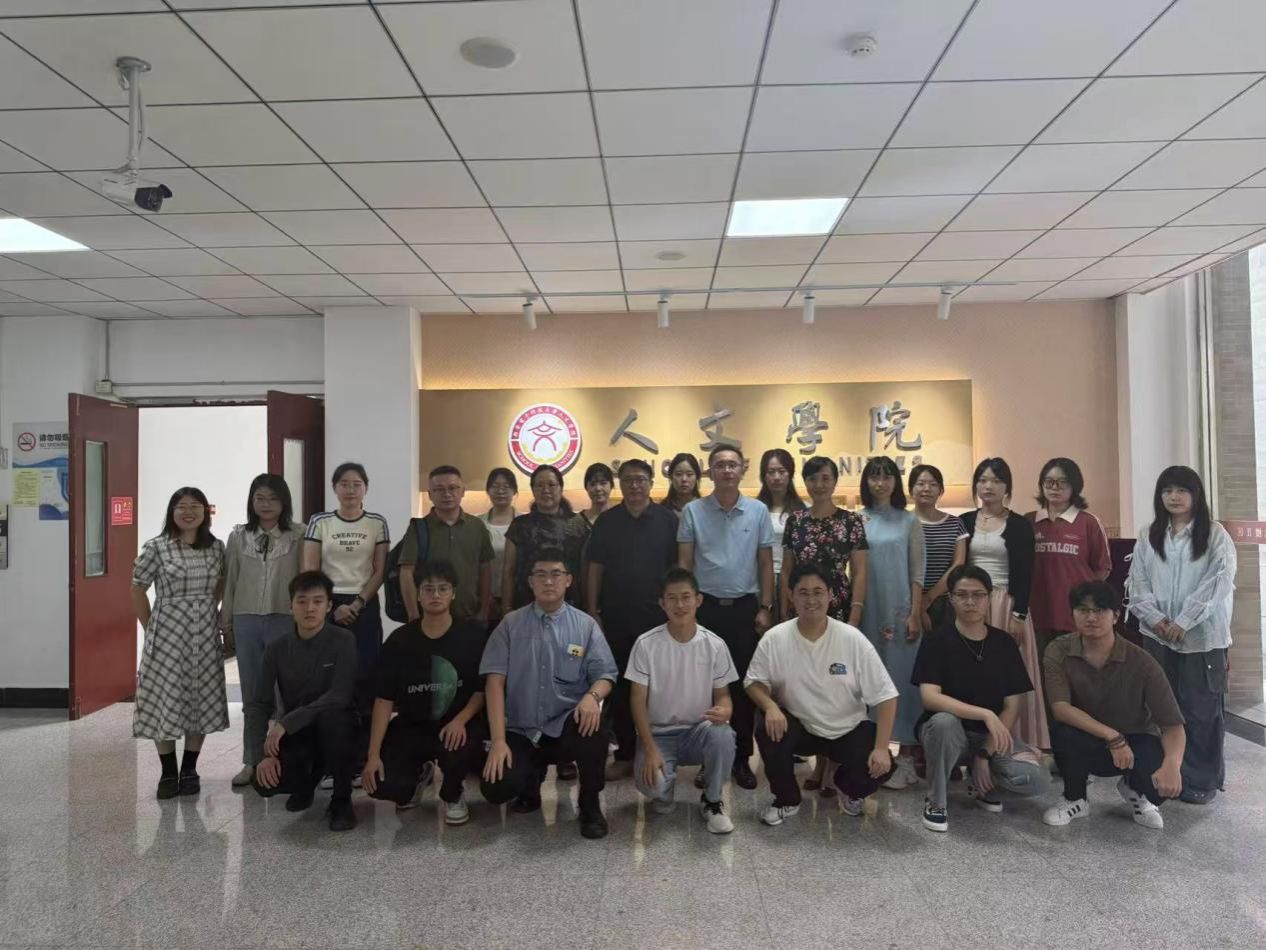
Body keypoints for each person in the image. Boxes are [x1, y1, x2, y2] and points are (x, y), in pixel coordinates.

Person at [479, 548, 618, 839]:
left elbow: (606, 674)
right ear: (530, 582)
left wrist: (592, 697)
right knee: (497, 788)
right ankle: (530, 786)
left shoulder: (585, 625)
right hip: (522, 728)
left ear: (568, 580)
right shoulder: (510, 625)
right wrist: (499, 741)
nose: (548, 581)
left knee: (594, 725)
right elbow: (494, 683)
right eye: (540, 575)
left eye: (556, 574)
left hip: (565, 725)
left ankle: (589, 803)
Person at [747, 562, 898, 826]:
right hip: (800, 728)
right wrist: (770, 706)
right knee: (767, 726)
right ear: (791, 596)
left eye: (818, 592)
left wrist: (881, 748)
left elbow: (886, 696)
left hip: (847, 729)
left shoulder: (852, 639)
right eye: (803, 592)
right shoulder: (775, 638)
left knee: (882, 766)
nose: (811, 600)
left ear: (830, 595)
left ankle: (848, 787)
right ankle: (787, 799)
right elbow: (753, 683)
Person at [912, 565, 1050, 833]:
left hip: (989, 737)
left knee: (1038, 779)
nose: (970, 601)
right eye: (962, 595)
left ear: (989, 598)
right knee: (944, 723)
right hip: (948, 735)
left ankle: (984, 787)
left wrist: (985, 754)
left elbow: (1012, 706)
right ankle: (936, 801)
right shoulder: (936, 640)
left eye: (978, 595)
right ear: (951, 599)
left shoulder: (1004, 644)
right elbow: (930, 698)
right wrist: (984, 714)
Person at [1126, 465, 1234, 805]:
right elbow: (1137, 582)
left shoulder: (1215, 534)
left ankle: (1200, 780)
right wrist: (1157, 620)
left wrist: (1184, 621)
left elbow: (1218, 582)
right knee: (1162, 708)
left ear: (1196, 495)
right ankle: (1164, 774)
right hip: (1157, 636)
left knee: (1201, 710)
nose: (1174, 497)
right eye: (1167, 490)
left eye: (1182, 490)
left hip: (1202, 638)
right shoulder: (1149, 534)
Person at [1043, 581, 1186, 830]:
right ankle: (1075, 798)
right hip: (1087, 738)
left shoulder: (1142, 662)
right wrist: (1112, 736)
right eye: (1083, 610)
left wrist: (1172, 765)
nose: (1091, 617)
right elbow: (1061, 708)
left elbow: (1172, 725)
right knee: (1062, 731)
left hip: (1136, 739)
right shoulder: (1059, 650)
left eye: (1099, 610)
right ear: (1073, 614)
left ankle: (1135, 789)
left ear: (1116, 616)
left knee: (1160, 788)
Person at [677, 444, 775, 790]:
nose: (727, 470)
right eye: (720, 465)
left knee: (744, 685)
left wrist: (766, 607)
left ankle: (741, 758)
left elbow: (765, 563)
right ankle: (708, 757)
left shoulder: (758, 511)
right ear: (710, 471)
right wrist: (686, 609)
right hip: (704, 609)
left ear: (742, 469)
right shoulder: (693, 511)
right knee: (704, 686)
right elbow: (685, 564)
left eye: (733, 464)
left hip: (745, 609)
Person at [363, 560, 487, 825]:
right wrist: (373, 755)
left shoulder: (472, 635)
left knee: (459, 746)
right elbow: (384, 699)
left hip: (457, 725)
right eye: (428, 589)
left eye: (443, 588)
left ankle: (452, 792)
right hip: (413, 725)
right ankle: (420, 774)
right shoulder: (399, 640)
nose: (436, 595)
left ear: (453, 593)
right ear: (418, 594)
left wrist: (461, 720)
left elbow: (481, 690)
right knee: (382, 785)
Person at [131, 487, 228, 800]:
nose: (188, 512)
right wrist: (150, 627)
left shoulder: (216, 547)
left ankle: (190, 769)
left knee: (201, 698)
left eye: (195, 506)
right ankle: (168, 771)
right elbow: (137, 588)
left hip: (204, 633)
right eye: (181, 506)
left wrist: (210, 608)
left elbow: (222, 583)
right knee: (166, 698)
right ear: (171, 512)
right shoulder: (157, 547)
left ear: (205, 512)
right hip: (168, 634)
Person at [585, 458, 678, 780]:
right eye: (628, 480)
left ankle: (661, 751)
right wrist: (593, 610)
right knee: (623, 688)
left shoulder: (668, 520)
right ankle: (625, 753)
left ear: (651, 483)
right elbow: (595, 568)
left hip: (658, 618)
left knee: (660, 687)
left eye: (640, 479)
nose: (635, 485)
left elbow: (677, 569)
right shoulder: (607, 521)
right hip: (617, 617)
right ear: (620, 484)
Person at [626, 568, 738, 834]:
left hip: (698, 731)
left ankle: (712, 800)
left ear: (698, 600)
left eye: (686, 597)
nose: (680, 605)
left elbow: (723, 695)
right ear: (662, 603)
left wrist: (725, 710)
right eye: (672, 598)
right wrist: (649, 748)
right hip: (658, 735)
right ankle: (664, 791)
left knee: (723, 735)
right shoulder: (646, 644)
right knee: (654, 786)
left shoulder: (715, 644)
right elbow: (637, 700)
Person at [246, 571, 358, 832]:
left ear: (329, 606)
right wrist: (261, 756)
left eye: (318, 601)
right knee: (265, 781)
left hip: (339, 727)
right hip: (300, 732)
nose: (310, 609)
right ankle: (305, 785)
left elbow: (340, 694)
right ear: (291, 606)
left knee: (334, 720)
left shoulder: (343, 640)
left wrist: (286, 722)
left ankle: (342, 800)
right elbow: (258, 704)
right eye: (302, 601)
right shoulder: (277, 648)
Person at [221, 474, 307, 788]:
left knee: (286, 692)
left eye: (273, 498)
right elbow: (230, 580)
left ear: (284, 502)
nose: (266, 504)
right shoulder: (239, 536)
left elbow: (304, 579)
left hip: (285, 618)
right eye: (260, 498)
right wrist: (226, 621)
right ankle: (252, 760)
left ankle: (286, 758)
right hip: (246, 619)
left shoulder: (299, 535)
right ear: (252, 501)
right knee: (253, 693)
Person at [960, 457, 1047, 752]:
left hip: (1006, 605)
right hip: (972, 603)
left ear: (1007, 487)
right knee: (973, 671)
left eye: (996, 481)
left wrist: (1018, 614)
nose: (989, 486)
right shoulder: (964, 521)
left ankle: (1016, 741)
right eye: (983, 480)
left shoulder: (1019, 525)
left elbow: (1026, 573)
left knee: (1009, 672)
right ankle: (977, 741)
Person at [303, 462, 390, 748]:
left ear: (366, 488)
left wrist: (357, 603)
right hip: (327, 605)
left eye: (356, 484)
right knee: (327, 676)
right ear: (334, 488)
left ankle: (363, 751)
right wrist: (331, 605)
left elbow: (379, 570)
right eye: (344, 484)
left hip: (364, 604)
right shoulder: (320, 521)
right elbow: (310, 570)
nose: (350, 490)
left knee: (365, 675)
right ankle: (328, 750)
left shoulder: (376, 522)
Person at [858, 455, 925, 789]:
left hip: (900, 612)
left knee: (902, 680)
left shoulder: (909, 520)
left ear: (896, 482)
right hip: (867, 610)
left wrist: (915, 613)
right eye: (874, 476)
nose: (880, 483)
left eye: (886, 477)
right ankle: (874, 753)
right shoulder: (857, 519)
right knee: (868, 679)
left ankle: (907, 758)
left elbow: (917, 571)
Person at [1027, 458, 1112, 708]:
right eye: (1049, 482)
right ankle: (1048, 731)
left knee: (1078, 680)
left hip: (1075, 618)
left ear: (1075, 486)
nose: (1055, 487)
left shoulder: (1088, 523)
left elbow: (1103, 567)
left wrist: (1086, 600)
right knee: (1043, 680)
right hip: (1038, 615)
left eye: (1062, 482)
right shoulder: (1028, 521)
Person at [398, 465, 494, 624]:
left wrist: (483, 611)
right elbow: (407, 572)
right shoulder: (418, 528)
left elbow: (485, 569)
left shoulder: (477, 526)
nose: (447, 494)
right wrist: (413, 614)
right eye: (439, 489)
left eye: (453, 488)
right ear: (430, 494)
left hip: (469, 616)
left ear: (463, 491)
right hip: (429, 618)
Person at [502, 464, 588, 611]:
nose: (546, 490)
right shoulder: (520, 524)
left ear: (561, 488)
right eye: (539, 485)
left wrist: (589, 606)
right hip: (526, 603)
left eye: (551, 485)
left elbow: (585, 569)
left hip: (570, 604)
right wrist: (506, 606)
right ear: (532, 490)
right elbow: (508, 570)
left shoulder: (576, 522)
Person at [909, 464, 967, 635]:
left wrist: (928, 599)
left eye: (933, 484)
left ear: (941, 491)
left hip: (943, 602)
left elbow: (958, 563)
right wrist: (917, 607)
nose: (927, 488)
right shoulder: (902, 523)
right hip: (907, 602)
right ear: (911, 490)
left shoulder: (955, 523)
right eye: (921, 483)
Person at [757, 448, 806, 622]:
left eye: (782, 471)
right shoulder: (754, 509)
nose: (776, 477)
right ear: (763, 476)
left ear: (790, 474)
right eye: (771, 472)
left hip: (792, 578)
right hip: (760, 578)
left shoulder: (803, 510)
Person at [480, 467, 518, 626]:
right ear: (488, 490)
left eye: (506, 487)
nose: (500, 491)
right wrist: (486, 597)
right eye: (495, 486)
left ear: (514, 491)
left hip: (517, 599)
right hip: (483, 600)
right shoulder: (477, 524)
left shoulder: (524, 524)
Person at [661, 451, 701, 516]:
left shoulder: (705, 509)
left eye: (689, 474)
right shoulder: (661, 510)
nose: (684, 479)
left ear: (697, 477)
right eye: (678, 474)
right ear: (671, 477)